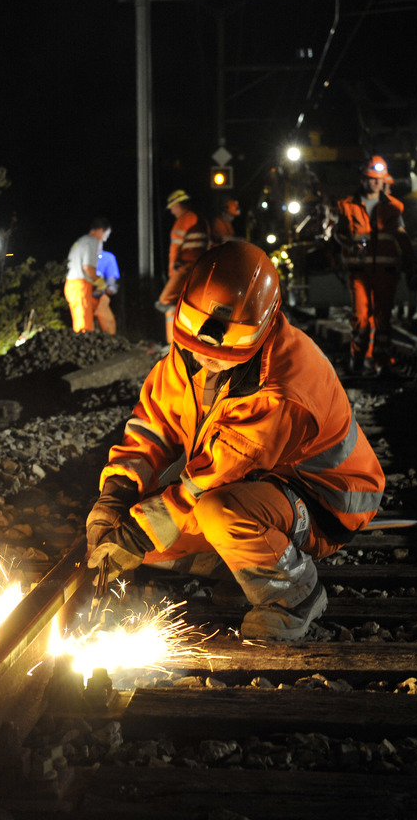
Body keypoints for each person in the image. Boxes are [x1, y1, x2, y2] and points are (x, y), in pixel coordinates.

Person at [86, 241, 386, 641]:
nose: (206, 360)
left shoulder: (281, 387)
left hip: (322, 500)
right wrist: (116, 495)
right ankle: (242, 565)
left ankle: (296, 593)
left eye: (221, 354)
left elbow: (208, 480)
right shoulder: (192, 352)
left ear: (261, 331)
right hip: (257, 482)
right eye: (198, 348)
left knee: (214, 512)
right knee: (143, 533)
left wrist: (136, 534)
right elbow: (151, 426)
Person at [332, 155, 412, 373]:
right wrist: (349, 244)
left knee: (383, 318)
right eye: (371, 178)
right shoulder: (347, 206)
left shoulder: (394, 207)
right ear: (363, 179)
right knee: (360, 317)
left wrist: (412, 261)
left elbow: (402, 235)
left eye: (379, 179)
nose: (376, 182)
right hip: (359, 272)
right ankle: (358, 357)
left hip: (386, 272)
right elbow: (338, 233)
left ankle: (382, 360)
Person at [157, 190, 209, 345]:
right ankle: (184, 342)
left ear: (178, 205)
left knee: (164, 301)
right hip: (200, 269)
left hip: (186, 268)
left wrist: (171, 271)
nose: (172, 211)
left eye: (173, 207)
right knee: (181, 305)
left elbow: (174, 248)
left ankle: (173, 344)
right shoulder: (201, 219)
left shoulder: (184, 219)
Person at [64, 217, 111, 333]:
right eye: (106, 235)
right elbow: (88, 268)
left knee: (85, 318)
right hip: (79, 286)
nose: (104, 239)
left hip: (73, 285)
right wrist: (100, 282)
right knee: (84, 328)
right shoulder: (91, 241)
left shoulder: (82, 241)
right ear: (100, 231)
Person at [92, 249, 120, 335]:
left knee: (108, 323)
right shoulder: (83, 255)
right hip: (85, 295)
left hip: (101, 297)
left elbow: (112, 281)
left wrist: (110, 287)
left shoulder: (107, 257)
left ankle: (109, 340)